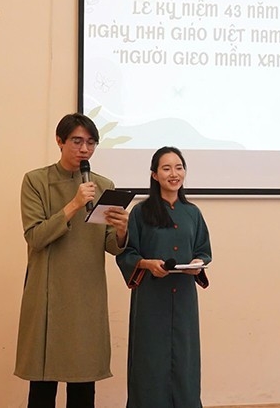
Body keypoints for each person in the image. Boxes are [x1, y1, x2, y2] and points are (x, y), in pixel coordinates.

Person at [14, 113, 129, 408]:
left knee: (83, 385)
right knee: (43, 387)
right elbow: (35, 237)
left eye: (91, 143)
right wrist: (75, 204)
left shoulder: (103, 185)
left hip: (86, 296)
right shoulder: (36, 181)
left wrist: (121, 231)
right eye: (77, 141)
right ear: (59, 141)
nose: (84, 149)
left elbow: (111, 246)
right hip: (48, 295)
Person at [116, 146, 212, 408]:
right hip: (151, 298)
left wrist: (197, 263)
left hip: (184, 300)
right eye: (166, 168)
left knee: (185, 360)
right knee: (150, 361)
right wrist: (147, 264)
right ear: (154, 175)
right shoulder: (141, 212)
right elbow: (127, 253)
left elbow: (203, 251)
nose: (174, 174)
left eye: (179, 167)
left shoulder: (193, 213)